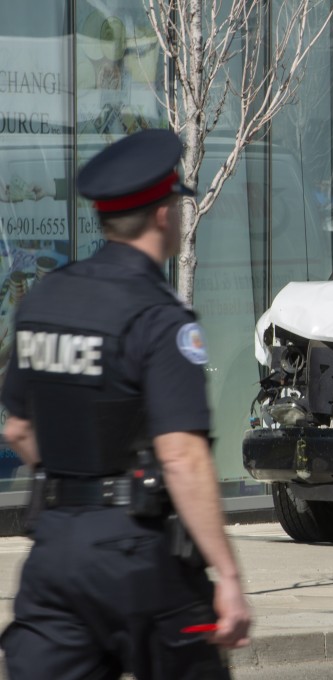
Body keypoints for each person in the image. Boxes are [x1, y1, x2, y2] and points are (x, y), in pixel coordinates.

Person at [0, 129, 251, 679]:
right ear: (164, 215)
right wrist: (227, 576)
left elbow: (18, 428)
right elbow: (182, 457)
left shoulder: (44, 300)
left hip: (56, 553)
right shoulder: (159, 319)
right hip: (140, 560)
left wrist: (75, 486)